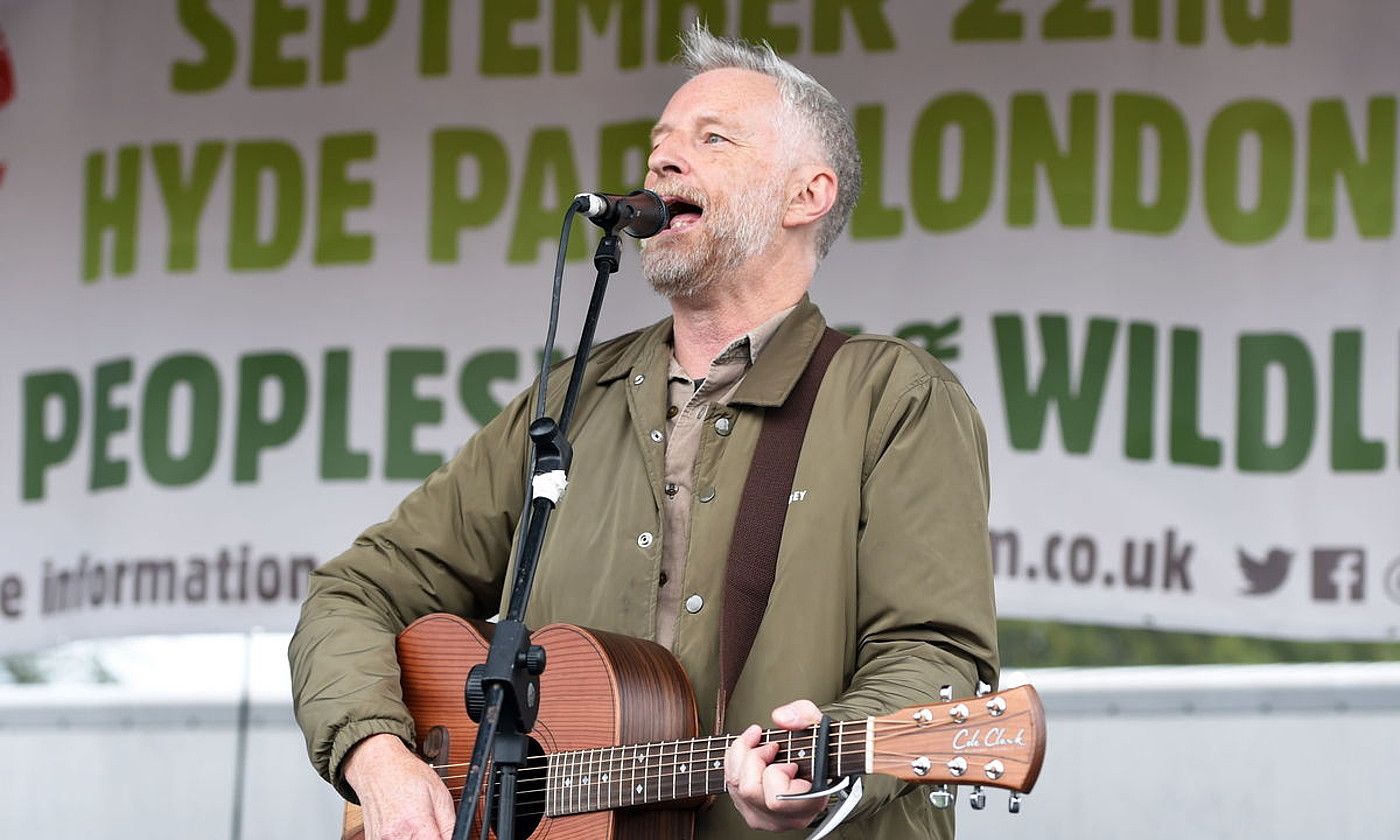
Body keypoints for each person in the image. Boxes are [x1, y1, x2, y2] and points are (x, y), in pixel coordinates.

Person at [290, 24, 998, 840]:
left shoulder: (893, 397)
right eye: (658, 143)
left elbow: (937, 655)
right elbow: (355, 593)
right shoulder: (569, 399)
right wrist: (377, 755)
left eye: (711, 138)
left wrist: (828, 768)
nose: (661, 161)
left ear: (807, 195)